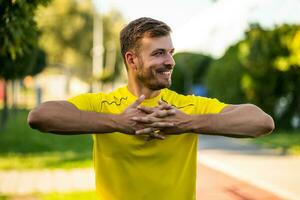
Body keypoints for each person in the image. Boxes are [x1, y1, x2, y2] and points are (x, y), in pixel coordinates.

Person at [27, 17, 275, 200]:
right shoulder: (102, 104)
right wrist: (119, 123)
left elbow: (262, 122)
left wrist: (184, 123)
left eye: (170, 52)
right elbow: (40, 117)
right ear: (132, 60)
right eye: (158, 53)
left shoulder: (186, 106)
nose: (170, 61)